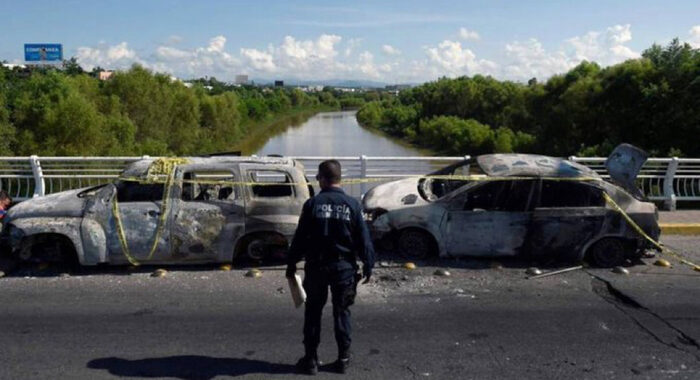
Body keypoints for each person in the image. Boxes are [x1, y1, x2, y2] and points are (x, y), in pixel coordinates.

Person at [286, 160, 375, 375]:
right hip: (343, 268)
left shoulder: (312, 205)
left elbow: (299, 240)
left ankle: (310, 361)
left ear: (323, 179)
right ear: (339, 179)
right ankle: (343, 359)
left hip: (316, 267)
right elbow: (364, 240)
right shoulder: (352, 205)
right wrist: (369, 265)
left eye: (318, 178)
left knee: (313, 312)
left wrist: (291, 265)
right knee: (341, 312)